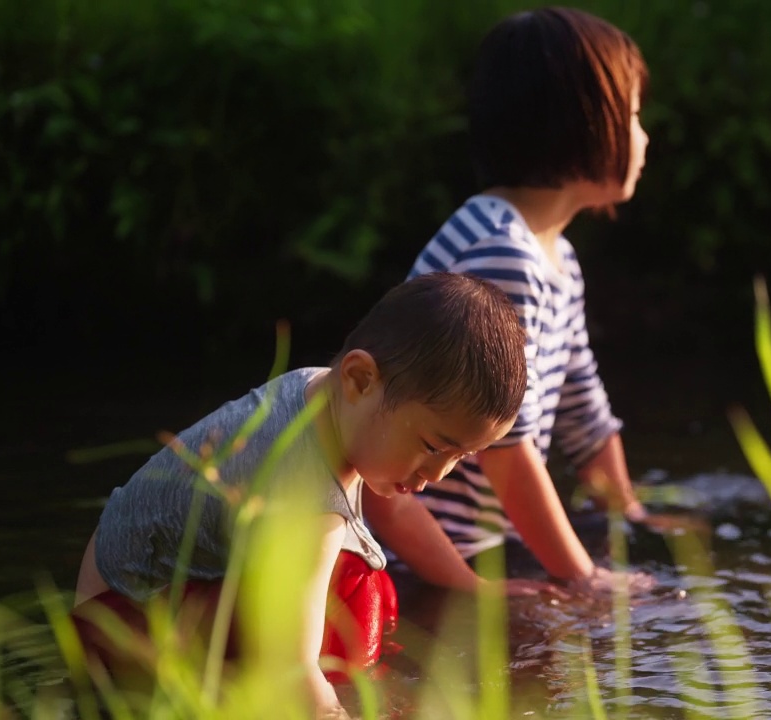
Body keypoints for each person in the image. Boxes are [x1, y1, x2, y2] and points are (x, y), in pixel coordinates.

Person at [72, 272, 528, 719]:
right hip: (118, 628)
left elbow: (398, 511)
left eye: (460, 457)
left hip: (147, 600)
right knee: (354, 594)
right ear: (360, 379)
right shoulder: (306, 491)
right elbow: (292, 669)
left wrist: (471, 586)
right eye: (433, 447)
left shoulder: (327, 396)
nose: (438, 474)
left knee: (368, 579)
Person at [364, 6, 663, 595]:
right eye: (632, 115)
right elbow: (506, 448)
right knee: (583, 611)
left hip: (484, 540)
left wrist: (630, 516)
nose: (645, 136)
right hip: (429, 547)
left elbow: (584, 413)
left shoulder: (556, 258)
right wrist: (583, 579)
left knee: (637, 573)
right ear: (584, 124)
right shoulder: (502, 254)